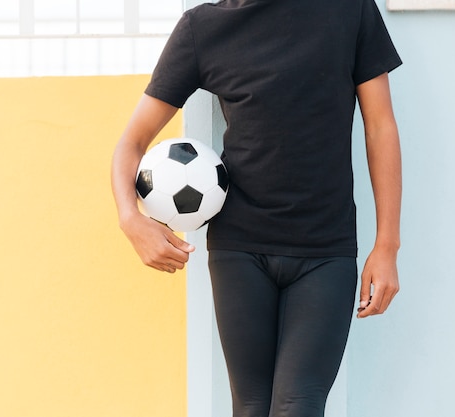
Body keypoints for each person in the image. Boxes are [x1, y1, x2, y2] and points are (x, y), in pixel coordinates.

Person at [111, 0, 402, 416]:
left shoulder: (349, 10)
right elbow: (132, 142)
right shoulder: (203, 27)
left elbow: (381, 126)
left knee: (298, 404)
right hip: (239, 251)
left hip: (325, 251)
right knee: (250, 407)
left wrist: (387, 245)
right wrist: (129, 217)